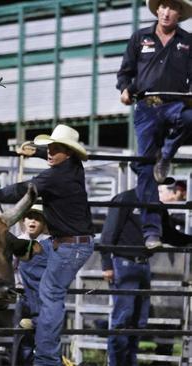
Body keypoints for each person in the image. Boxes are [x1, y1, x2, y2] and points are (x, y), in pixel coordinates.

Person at [0, 124, 94, 366]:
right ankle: (38, 319)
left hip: (68, 247)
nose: (49, 151)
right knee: (30, 260)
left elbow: (25, 189)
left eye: (55, 148)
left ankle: (46, 359)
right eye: (49, 147)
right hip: (65, 244)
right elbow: (52, 161)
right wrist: (34, 151)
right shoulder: (74, 168)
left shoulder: (56, 176)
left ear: (68, 152)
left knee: (51, 294)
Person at [116, 0, 192, 249]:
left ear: (180, 13)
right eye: (163, 6)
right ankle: (152, 233)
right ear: (157, 10)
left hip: (177, 103)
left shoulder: (188, 41)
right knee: (145, 169)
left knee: (190, 117)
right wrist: (125, 89)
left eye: (173, 7)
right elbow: (125, 72)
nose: (167, 12)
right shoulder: (139, 38)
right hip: (147, 106)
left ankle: (167, 154)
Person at [101, 187, 192, 366]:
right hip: (125, 262)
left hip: (140, 264)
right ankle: (118, 363)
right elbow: (109, 231)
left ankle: (128, 362)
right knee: (124, 318)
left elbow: (167, 234)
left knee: (137, 320)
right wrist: (107, 264)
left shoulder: (156, 204)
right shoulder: (126, 198)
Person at [11, 205, 50, 366]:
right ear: (23, 221)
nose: (33, 221)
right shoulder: (17, 243)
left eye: (38, 218)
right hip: (24, 296)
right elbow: (11, 268)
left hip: (43, 297)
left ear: (43, 224)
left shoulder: (47, 245)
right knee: (23, 340)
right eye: (29, 217)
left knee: (43, 338)